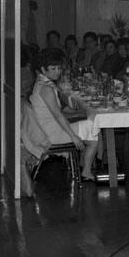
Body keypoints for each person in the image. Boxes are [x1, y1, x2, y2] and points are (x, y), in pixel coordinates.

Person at [30, 48, 98, 181]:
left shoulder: (40, 83)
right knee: (94, 129)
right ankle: (86, 172)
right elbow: (58, 115)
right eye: (53, 68)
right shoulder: (46, 88)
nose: (58, 71)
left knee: (89, 124)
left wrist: (79, 113)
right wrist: (73, 136)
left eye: (59, 68)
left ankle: (82, 166)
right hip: (53, 133)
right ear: (43, 69)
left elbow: (59, 112)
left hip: (48, 128)